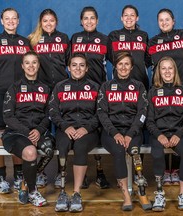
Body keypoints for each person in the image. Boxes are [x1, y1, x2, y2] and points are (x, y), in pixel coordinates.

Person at [0, 8, 31, 194]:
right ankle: (0, 178)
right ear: (1, 21)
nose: (11, 21)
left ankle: (19, 176)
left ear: (18, 20)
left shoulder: (25, 43)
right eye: (7, 19)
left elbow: (31, 67)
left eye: (14, 18)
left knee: (18, 133)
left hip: (20, 95)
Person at [148, 8, 183, 185]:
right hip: (161, 89)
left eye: (167, 19)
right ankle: (165, 171)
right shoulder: (153, 42)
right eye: (160, 20)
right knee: (164, 121)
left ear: (174, 20)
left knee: (179, 126)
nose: (164, 23)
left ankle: (175, 170)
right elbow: (143, 62)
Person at [97, 52, 151, 211]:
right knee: (119, 151)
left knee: (134, 151)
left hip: (132, 132)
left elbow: (142, 113)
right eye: (120, 64)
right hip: (110, 133)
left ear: (132, 67)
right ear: (114, 67)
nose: (123, 67)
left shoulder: (139, 86)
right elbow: (101, 113)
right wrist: (115, 133)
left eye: (127, 64)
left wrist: (130, 133)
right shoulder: (106, 87)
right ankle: (126, 195)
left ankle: (141, 192)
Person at [49, 53, 100, 212]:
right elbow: (53, 111)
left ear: (87, 68)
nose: (78, 68)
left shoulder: (95, 87)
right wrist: (65, 126)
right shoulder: (60, 87)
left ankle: (77, 192)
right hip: (66, 128)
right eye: (74, 65)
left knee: (80, 147)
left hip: (88, 130)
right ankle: (63, 192)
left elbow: (101, 113)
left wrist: (87, 128)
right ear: (68, 68)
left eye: (82, 65)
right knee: (62, 145)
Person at [28, 8, 70, 188]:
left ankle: (62, 172)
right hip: (42, 88)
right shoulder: (34, 40)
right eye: (45, 21)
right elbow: (29, 64)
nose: (48, 24)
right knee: (42, 127)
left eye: (51, 20)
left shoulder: (64, 38)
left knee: (62, 128)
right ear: (41, 23)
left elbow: (70, 63)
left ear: (56, 22)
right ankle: (41, 172)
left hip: (61, 87)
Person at [146, 56, 183, 211]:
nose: (167, 71)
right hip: (159, 133)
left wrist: (179, 134)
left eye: (170, 68)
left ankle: (182, 194)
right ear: (159, 72)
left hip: (179, 133)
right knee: (157, 153)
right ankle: (160, 193)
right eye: (163, 68)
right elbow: (148, 120)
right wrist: (159, 135)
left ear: (175, 71)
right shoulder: (153, 92)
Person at [2, 51, 50, 207]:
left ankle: (24, 181)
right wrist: (27, 132)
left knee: (50, 149)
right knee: (30, 152)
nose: (31, 66)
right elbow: (8, 117)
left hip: (37, 132)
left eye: (34, 62)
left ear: (38, 65)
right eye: (27, 63)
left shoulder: (45, 88)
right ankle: (32, 191)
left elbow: (49, 115)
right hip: (15, 133)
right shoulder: (14, 88)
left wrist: (39, 129)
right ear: (22, 66)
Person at [70, 6, 110, 189]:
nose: (88, 21)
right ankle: (83, 175)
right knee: (78, 132)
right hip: (79, 92)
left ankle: (100, 173)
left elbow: (118, 63)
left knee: (96, 131)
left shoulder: (104, 39)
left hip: (98, 91)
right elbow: (69, 65)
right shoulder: (74, 39)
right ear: (80, 21)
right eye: (85, 18)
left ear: (97, 20)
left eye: (92, 18)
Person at [107, 4, 150, 90]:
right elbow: (110, 56)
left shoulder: (143, 35)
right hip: (118, 80)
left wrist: (140, 65)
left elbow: (148, 56)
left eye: (132, 15)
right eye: (126, 15)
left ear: (137, 18)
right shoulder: (114, 35)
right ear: (121, 18)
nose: (129, 18)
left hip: (141, 79)